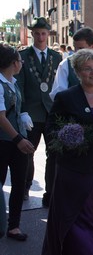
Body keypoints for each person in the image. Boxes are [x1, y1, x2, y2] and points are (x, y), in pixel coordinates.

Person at [42, 49, 93, 254]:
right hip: (75, 167)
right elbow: (51, 128)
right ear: (78, 73)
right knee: (78, 215)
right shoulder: (66, 97)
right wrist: (67, 136)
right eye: (87, 69)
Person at [16, 17, 62, 206]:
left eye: (44, 33)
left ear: (48, 34)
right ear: (32, 34)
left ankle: (50, 192)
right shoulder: (23, 56)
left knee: (54, 154)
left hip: (51, 111)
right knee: (28, 152)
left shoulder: (56, 56)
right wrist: (23, 111)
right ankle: (26, 186)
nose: (41, 37)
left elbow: (59, 85)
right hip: (32, 112)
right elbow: (19, 85)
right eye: (37, 33)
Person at [0, 43, 35, 241]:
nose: (21, 63)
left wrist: (23, 116)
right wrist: (18, 139)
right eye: (20, 60)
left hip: (17, 139)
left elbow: (15, 107)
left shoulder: (12, 81)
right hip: (4, 141)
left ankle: (14, 226)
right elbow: (1, 117)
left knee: (19, 183)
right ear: (14, 63)